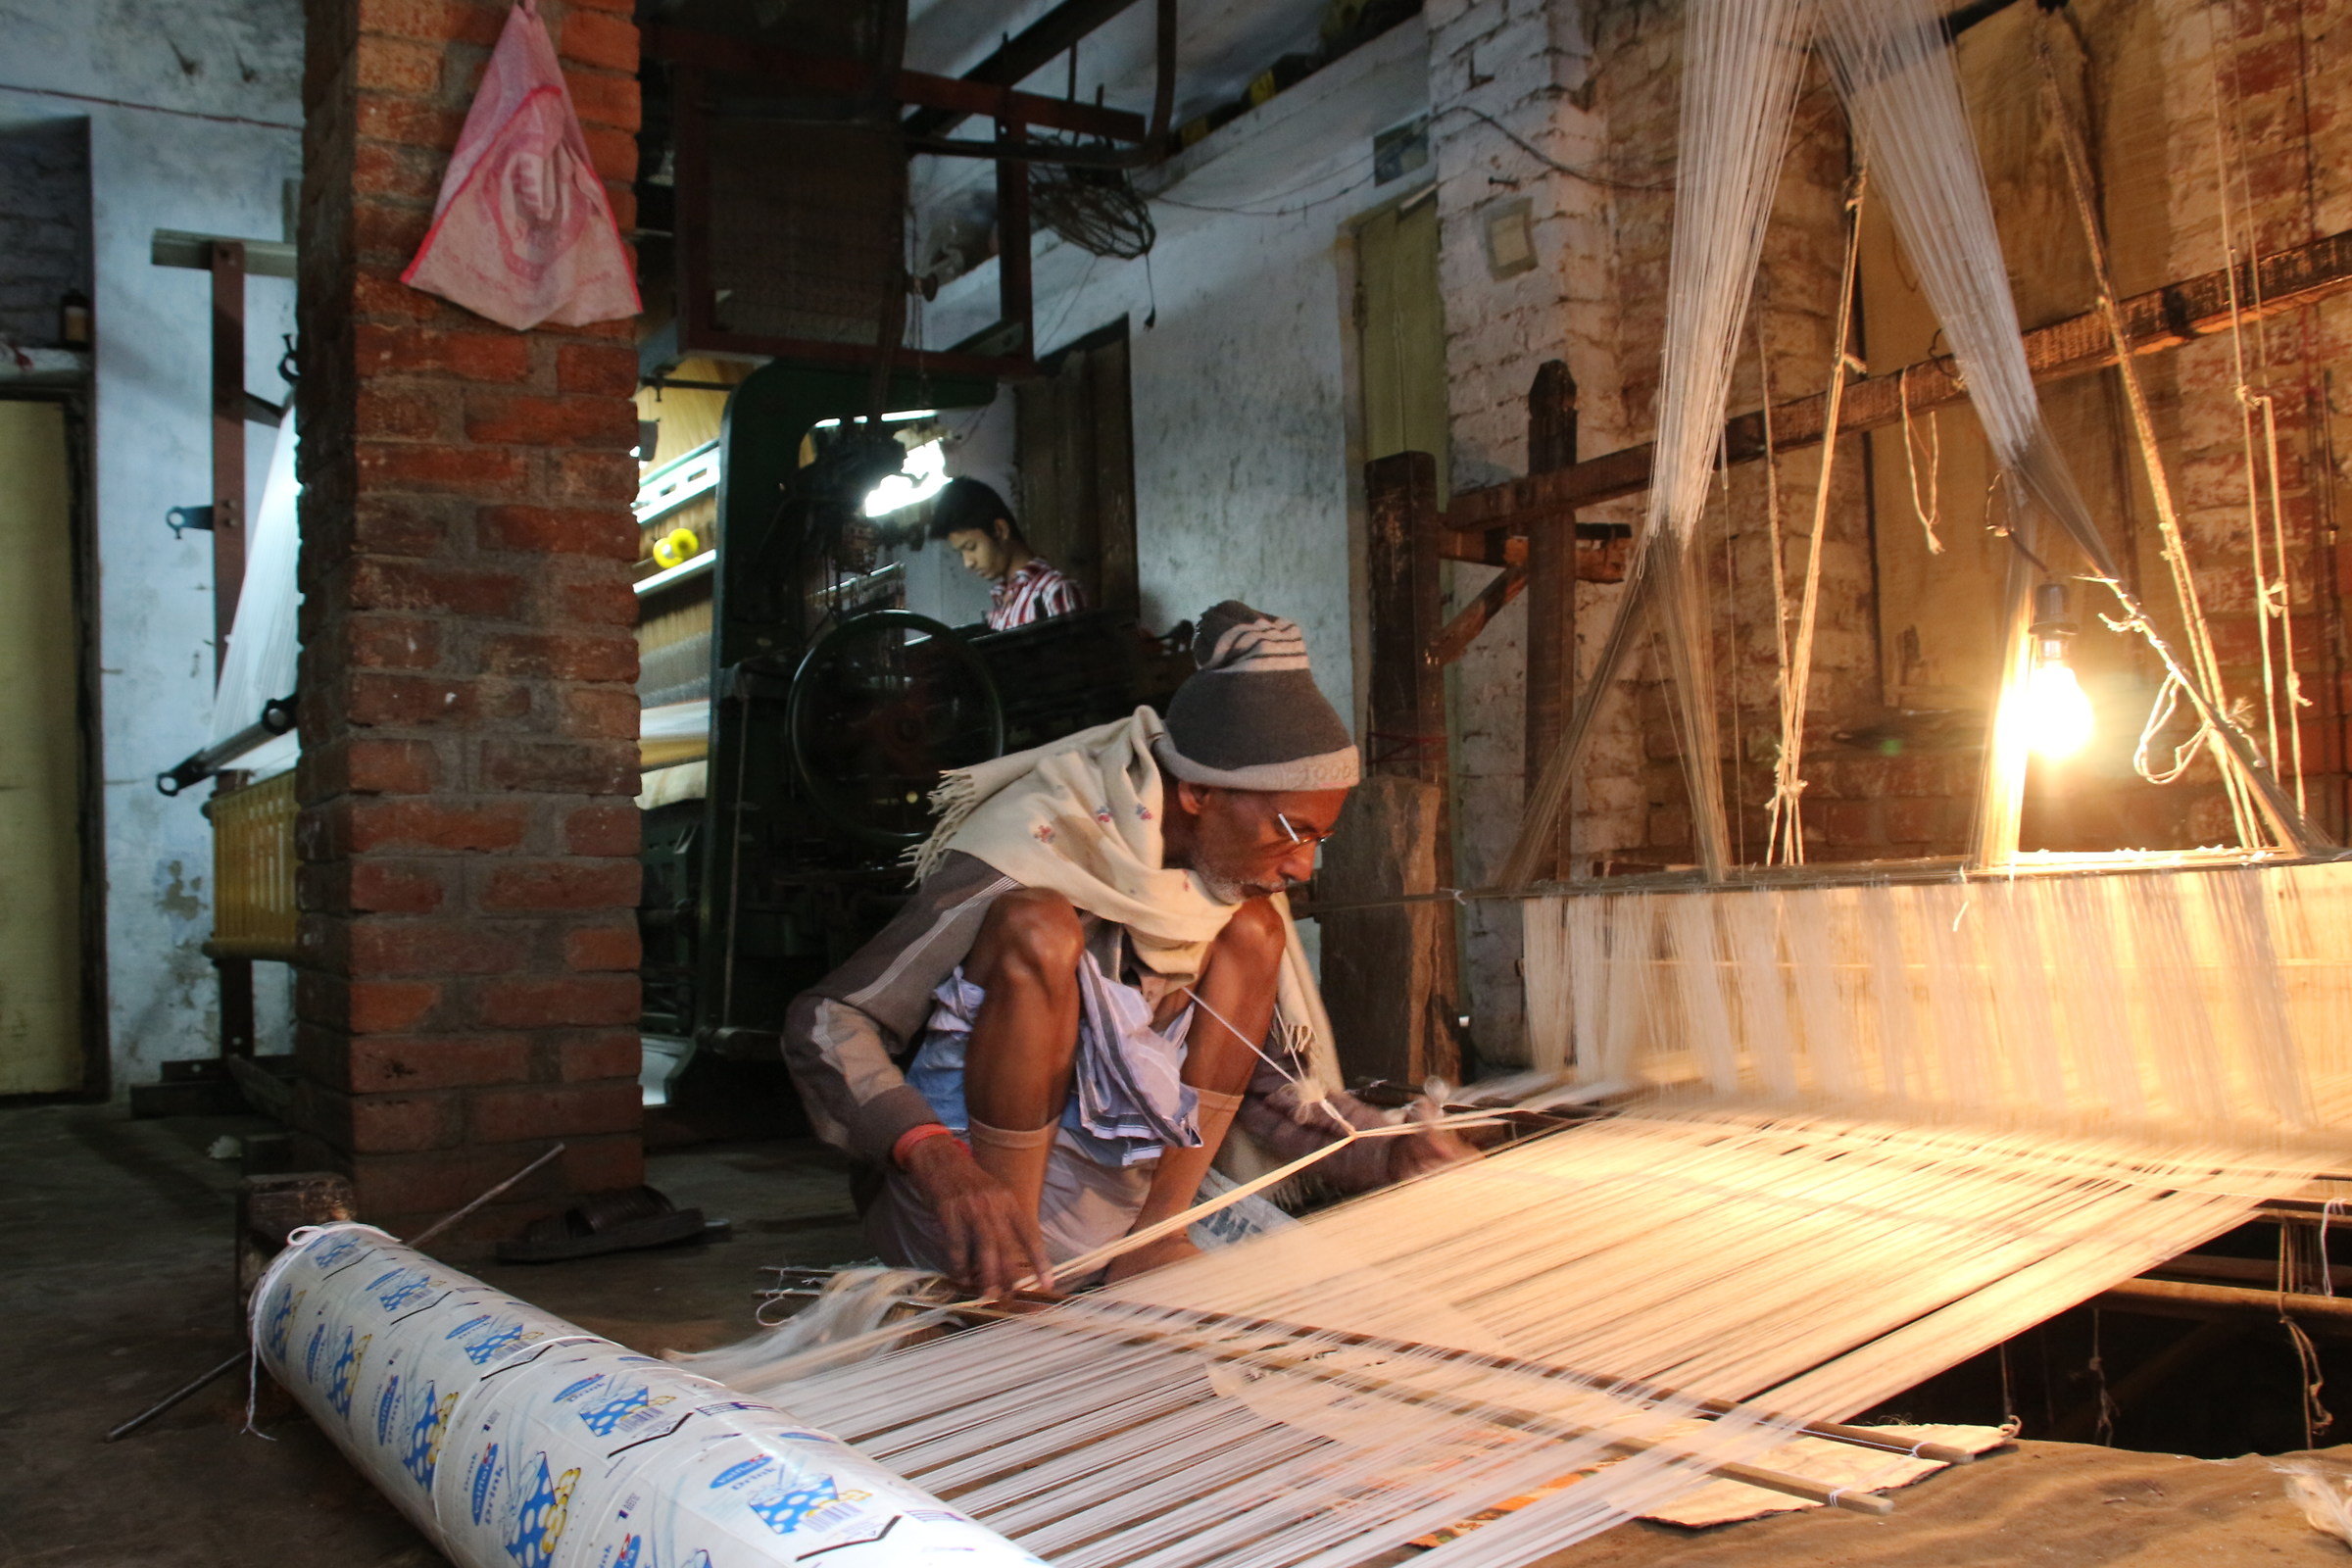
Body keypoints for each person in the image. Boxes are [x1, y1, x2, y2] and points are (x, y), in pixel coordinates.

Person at [782, 602, 1466, 1296]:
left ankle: (1156, 1238)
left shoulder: (1227, 895)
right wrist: (936, 1162)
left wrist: (1384, 1150)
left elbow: (1268, 1092)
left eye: (1318, 839)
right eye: (1292, 830)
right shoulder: (1027, 849)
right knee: (1040, 929)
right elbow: (826, 1022)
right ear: (1198, 790)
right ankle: (1011, 1278)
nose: (1302, 868)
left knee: (1255, 928)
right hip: (967, 1216)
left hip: (1115, 1219)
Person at [928, 476, 1085, 630]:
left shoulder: (1053, 592)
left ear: (1000, 530)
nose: (968, 563)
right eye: (960, 553)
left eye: (971, 547)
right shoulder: (1002, 604)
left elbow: (1072, 656)